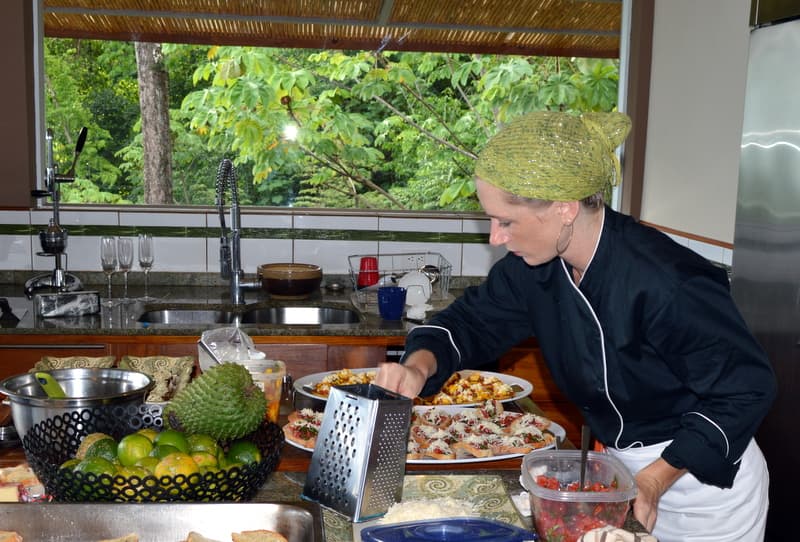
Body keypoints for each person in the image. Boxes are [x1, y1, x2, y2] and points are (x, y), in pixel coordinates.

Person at [374, 111, 776, 541]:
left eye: (505, 222)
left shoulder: (665, 280)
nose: (495, 237)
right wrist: (418, 366)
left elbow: (747, 388)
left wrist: (654, 480)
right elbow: (470, 320)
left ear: (564, 209)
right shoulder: (535, 269)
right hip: (621, 480)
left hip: (707, 492)